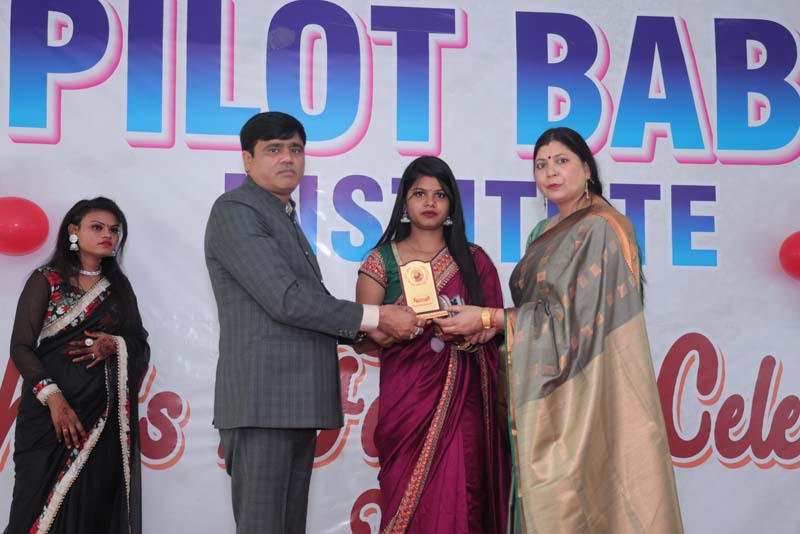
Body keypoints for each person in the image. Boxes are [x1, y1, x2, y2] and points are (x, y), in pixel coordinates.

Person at [435, 128, 684, 533]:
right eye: (541, 164)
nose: (550, 172)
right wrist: (492, 329)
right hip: (545, 384)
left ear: (587, 169)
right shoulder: (541, 233)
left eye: (561, 161)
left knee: (591, 498)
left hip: (592, 388)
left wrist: (490, 319)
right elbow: (541, 315)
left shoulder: (603, 227)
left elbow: (576, 322)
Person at [204, 111, 420, 534]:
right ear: (247, 159)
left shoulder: (280, 215)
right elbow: (286, 300)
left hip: (291, 403)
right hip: (263, 403)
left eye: (296, 149)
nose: (288, 158)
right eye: (274, 149)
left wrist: (368, 331)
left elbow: (304, 308)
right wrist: (376, 316)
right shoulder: (237, 210)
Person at [356, 156, 510, 533]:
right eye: (419, 194)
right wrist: (387, 326)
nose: (429, 202)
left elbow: (496, 331)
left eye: (440, 195)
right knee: (409, 500)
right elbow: (361, 333)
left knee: (465, 492)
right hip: (407, 403)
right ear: (404, 203)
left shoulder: (475, 261)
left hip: (466, 404)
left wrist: (472, 333)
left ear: (451, 204)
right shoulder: (381, 260)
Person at [5, 197, 150, 534]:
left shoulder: (118, 288)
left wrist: (114, 344)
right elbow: (21, 347)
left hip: (101, 419)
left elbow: (139, 342)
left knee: (94, 509)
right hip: (48, 419)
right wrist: (54, 399)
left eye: (114, 230)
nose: (108, 235)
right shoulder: (46, 279)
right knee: (34, 509)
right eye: (97, 227)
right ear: (73, 231)